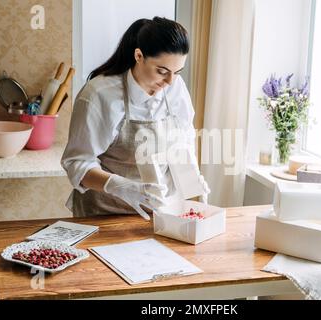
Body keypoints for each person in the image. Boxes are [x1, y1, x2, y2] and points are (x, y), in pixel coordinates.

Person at [61, 17, 210, 219]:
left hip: (162, 213)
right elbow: (76, 162)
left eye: (177, 72)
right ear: (139, 56)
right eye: (162, 71)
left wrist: (192, 181)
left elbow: (183, 140)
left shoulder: (176, 87)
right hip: (105, 214)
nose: (170, 81)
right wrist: (120, 186)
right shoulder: (99, 95)